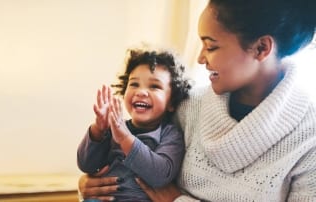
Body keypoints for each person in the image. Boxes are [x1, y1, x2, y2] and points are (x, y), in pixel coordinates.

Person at [78, 0, 316, 201]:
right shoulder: (188, 105)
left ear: (261, 48)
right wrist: (91, 182)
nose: (201, 58)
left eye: (211, 46)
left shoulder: (309, 137)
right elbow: (128, 152)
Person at [77, 48, 191, 201]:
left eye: (154, 86)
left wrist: (125, 139)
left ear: (171, 102)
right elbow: (86, 165)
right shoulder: (115, 128)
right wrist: (98, 130)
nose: (141, 92)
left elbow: (160, 175)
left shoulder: (169, 134)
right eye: (134, 84)